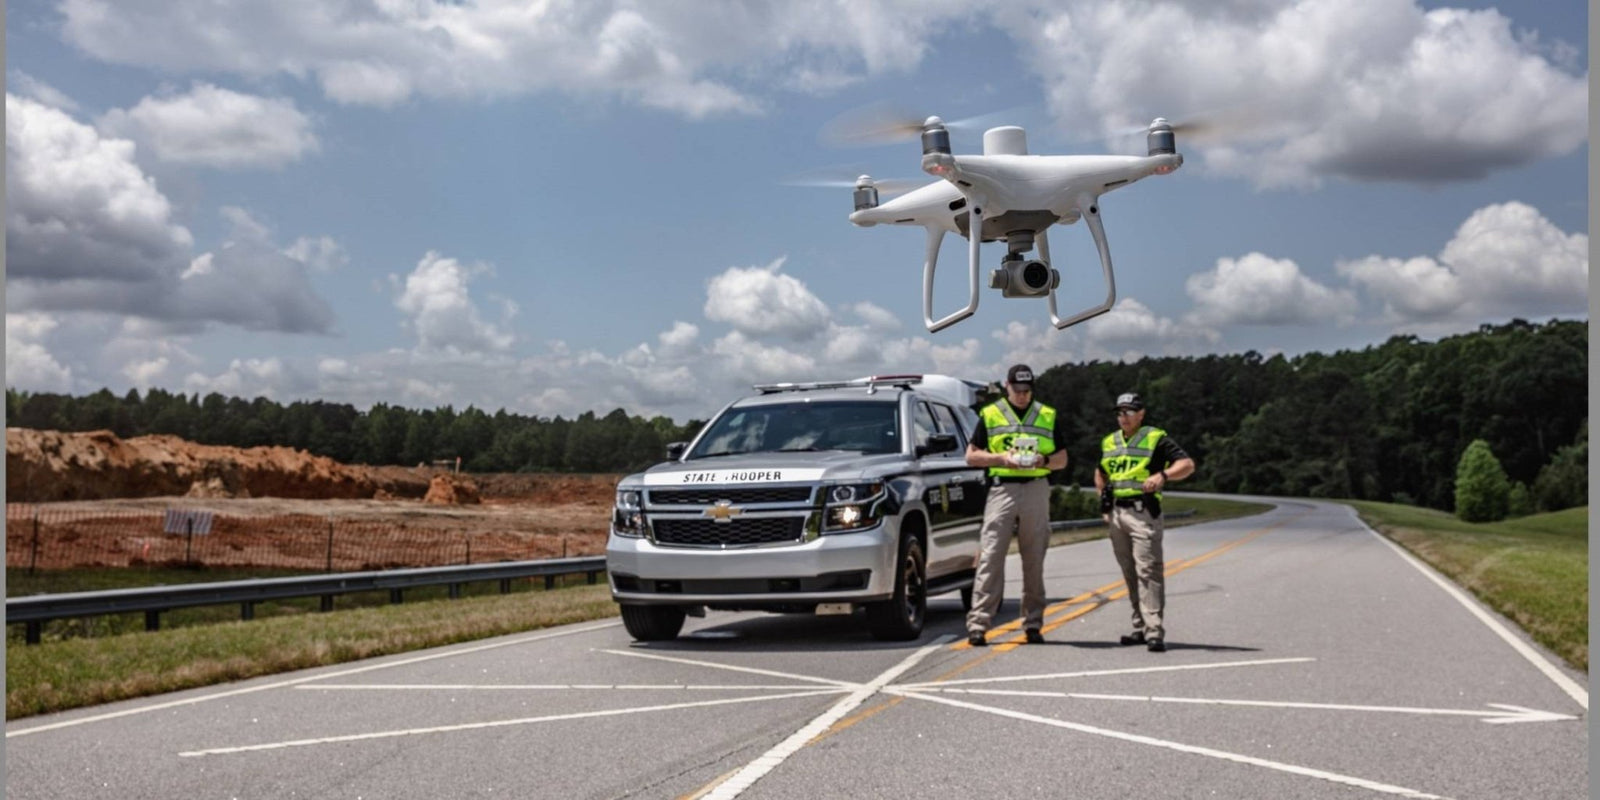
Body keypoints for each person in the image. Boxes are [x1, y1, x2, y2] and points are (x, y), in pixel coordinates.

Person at [964, 364, 1067, 647]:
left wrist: (1043, 461)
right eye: (1017, 390)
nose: (1022, 396)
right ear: (1007, 386)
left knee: (1034, 560)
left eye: (1027, 391)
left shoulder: (1046, 415)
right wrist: (1001, 459)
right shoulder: (991, 414)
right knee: (991, 557)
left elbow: (1062, 459)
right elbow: (971, 457)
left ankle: (1033, 624)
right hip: (1003, 488)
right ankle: (978, 624)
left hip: (1035, 487)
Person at [1095, 392, 1195, 653]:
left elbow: (1186, 464)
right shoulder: (1109, 441)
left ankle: (1154, 631)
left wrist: (1163, 475)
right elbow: (1101, 472)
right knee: (1129, 573)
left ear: (1141, 414)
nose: (1123, 417)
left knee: (1148, 571)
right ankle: (1139, 626)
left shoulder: (1155, 438)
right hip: (1117, 514)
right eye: (1120, 412)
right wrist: (1104, 502)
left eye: (1129, 412)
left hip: (1142, 512)